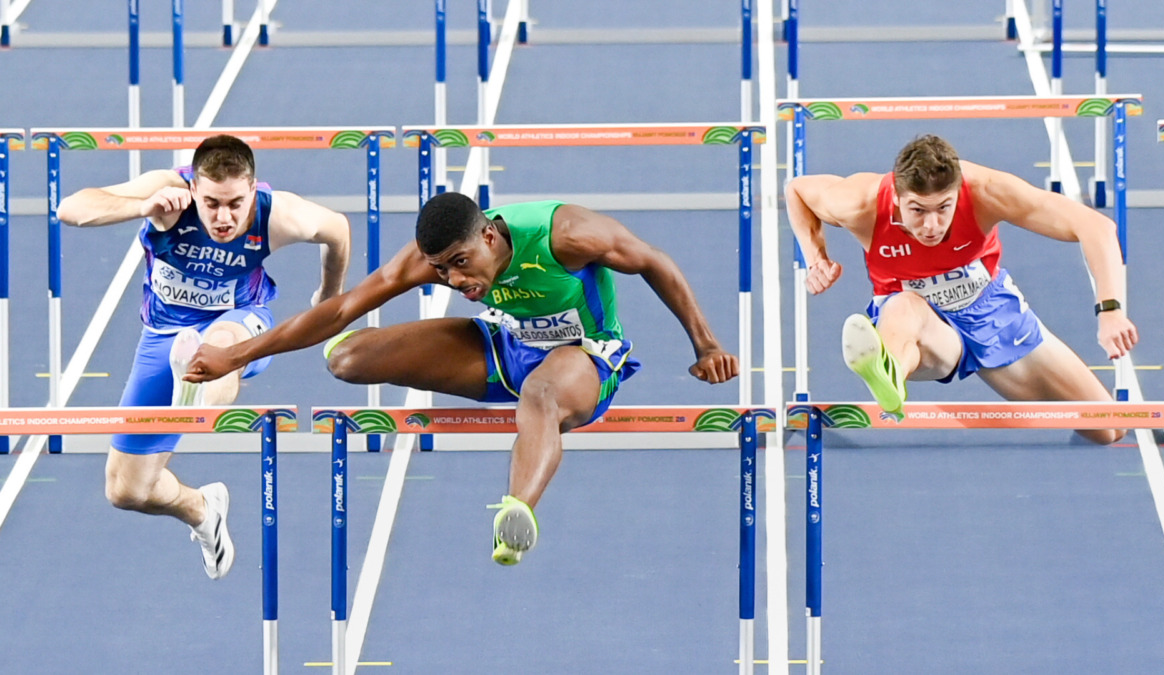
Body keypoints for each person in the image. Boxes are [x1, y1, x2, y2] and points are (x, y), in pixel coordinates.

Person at [182, 193, 738, 565]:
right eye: (442, 269)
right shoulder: (438, 257)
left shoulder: (566, 234)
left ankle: (517, 512)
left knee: (542, 394)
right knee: (347, 359)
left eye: (461, 263)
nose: (454, 279)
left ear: (491, 238)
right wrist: (237, 356)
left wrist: (705, 343)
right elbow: (345, 306)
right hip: (505, 346)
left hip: (582, 359)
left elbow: (655, 263)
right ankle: (517, 401)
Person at [56, 135, 351, 579]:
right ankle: (201, 508)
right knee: (126, 490)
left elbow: (337, 229)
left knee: (220, 343)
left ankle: (196, 394)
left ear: (253, 190)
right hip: (163, 335)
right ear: (194, 188)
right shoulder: (166, 187)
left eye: (235, 203)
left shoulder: (277, 213)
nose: (223, 217)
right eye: (211, 203)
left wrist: (329, 296)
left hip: (241, 321)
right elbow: (71, 209)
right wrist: (144, 207)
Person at [784, 134, 1138, 444]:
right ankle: (889, 374)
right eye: (918, 211)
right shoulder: (859, 202)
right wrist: (816, 259)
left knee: (1107, 429)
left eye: (943, 208)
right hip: (921, 326)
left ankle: (890, 371)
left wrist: (1111, 311)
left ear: (957, 194)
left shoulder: (986, 191)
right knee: (906, 306)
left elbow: (1096, 227)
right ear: (896, 199)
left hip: (992, 311)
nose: (932, 224)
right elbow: (797, 189)